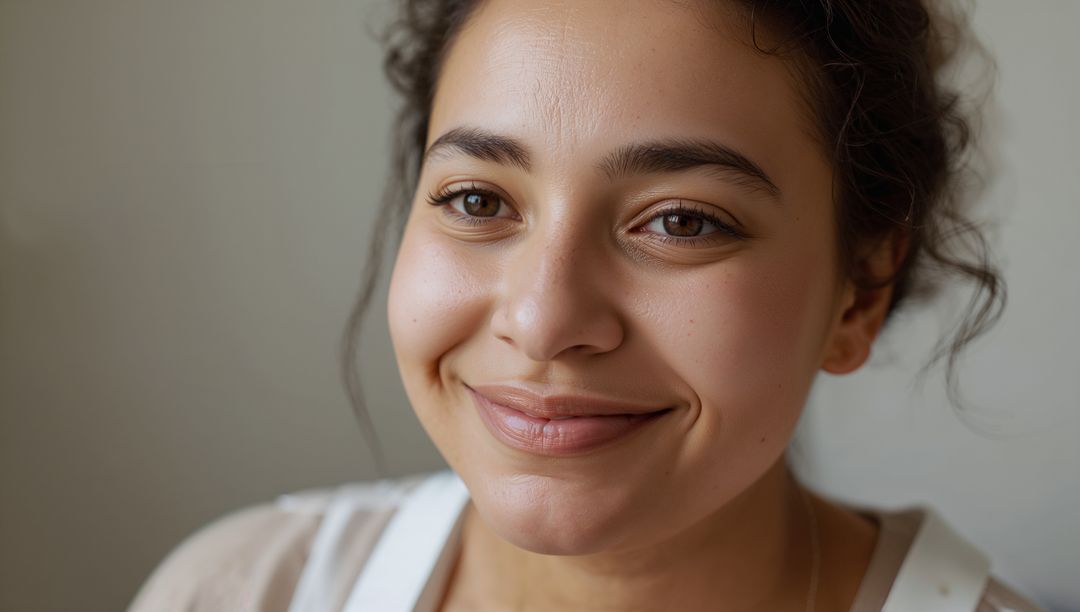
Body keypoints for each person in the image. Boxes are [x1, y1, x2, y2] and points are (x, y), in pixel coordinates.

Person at [129, 0, 1044, 610]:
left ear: (862, 291)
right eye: (478, 201)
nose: (543, 318)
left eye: (682, 220)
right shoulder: (244, 589)